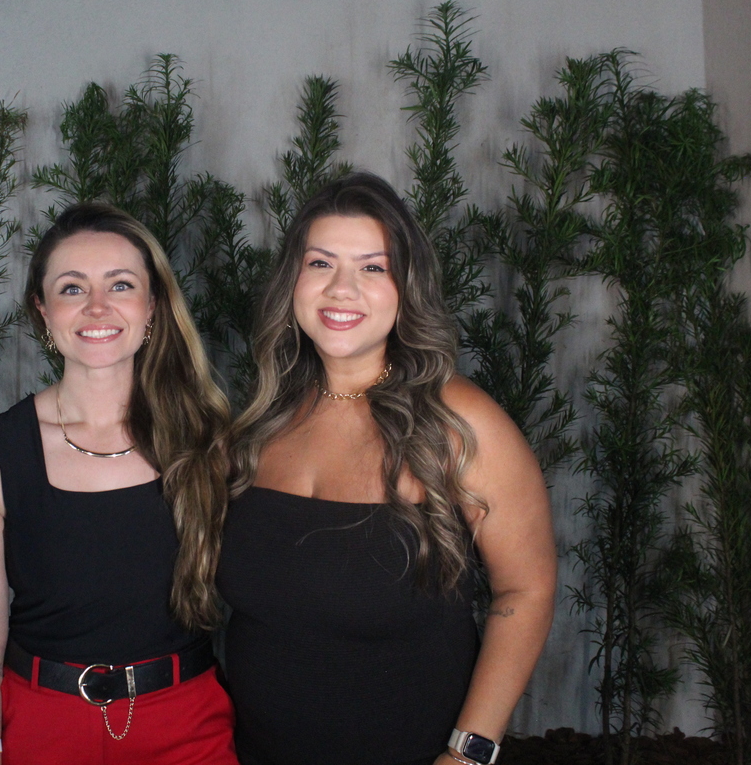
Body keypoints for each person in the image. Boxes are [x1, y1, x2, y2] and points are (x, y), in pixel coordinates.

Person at [217, 172, 556, 765]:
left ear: (407, 287)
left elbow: (525, 591)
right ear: (292, 281)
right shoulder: (260, 422)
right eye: (320, 263)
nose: (341, 288)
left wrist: (469, 754)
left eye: (373, 267)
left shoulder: (459, 422)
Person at [0, 203, 237, 765]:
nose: (97, 306)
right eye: (72, 288)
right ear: (43, 310)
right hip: (42, 727)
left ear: (152, 305)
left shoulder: (210, 442)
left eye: (120, 284)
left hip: (188, 725)